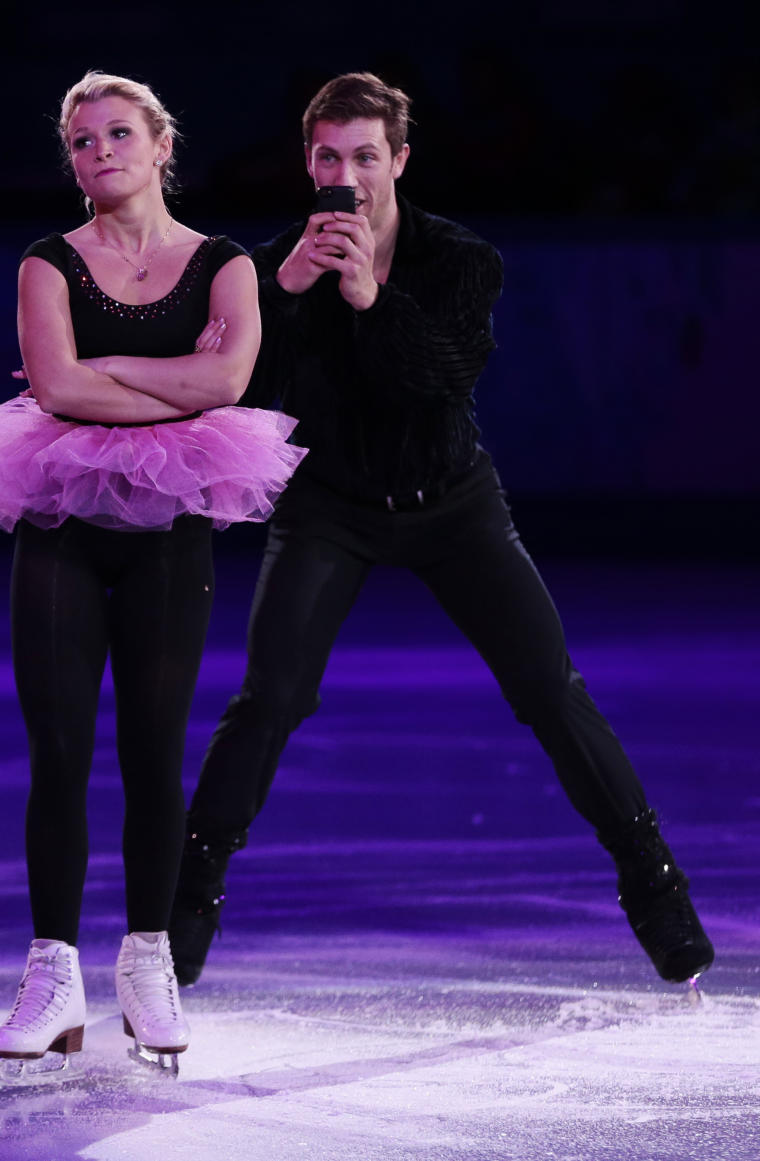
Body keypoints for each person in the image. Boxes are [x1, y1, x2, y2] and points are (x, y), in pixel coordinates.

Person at [168, 72, 714, 990]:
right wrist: (289, 296)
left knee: (550, 689)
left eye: (368, 158)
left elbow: (443, 377)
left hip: (452, 501)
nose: (352, 175)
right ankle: (184, 910)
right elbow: (240, 405)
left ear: (400, 161)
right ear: (310, 163)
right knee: (269, 700)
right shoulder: (261, 270)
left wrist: (370, 295)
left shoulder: (463, 260)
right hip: (327, 507)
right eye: (332, 157)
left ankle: (659, 894)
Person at [0, 71, 305, 1077]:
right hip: (60, 519)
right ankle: (52, 974)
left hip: (170, 526)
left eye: (117, 132)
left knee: (155, 753)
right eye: (79, 139)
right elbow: (54, 387)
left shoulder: (224, 264)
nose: (98, 150)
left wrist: (118, 378)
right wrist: (170, 385)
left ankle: (148, 966)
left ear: (161, 146)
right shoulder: (47, 264)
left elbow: (229, 382)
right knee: (58, 751)